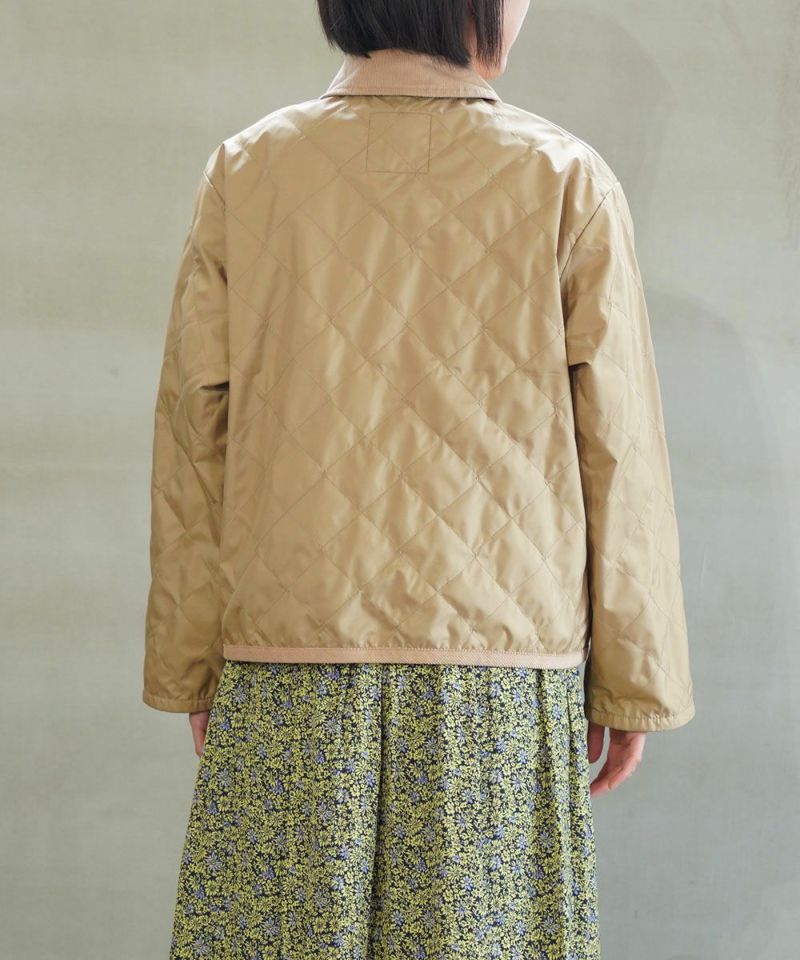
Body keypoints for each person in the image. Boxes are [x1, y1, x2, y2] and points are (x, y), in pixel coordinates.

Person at [142, 1, 696, 957]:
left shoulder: (249, 169)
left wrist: (192, 662)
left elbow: (197, 433)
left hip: (289, 668)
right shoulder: (566, 178)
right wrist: (633, 681)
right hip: (498, 678)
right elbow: (621, 453)